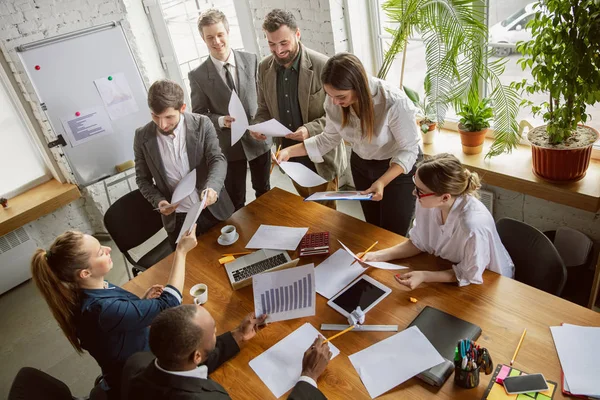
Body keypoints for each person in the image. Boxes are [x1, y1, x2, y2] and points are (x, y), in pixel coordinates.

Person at [30, 226, 199, 400]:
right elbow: (169, 303)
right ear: (85, 273)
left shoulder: (95, 287)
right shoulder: (101, 309)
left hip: (138, 357)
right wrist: (181, 252)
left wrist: (139, 304)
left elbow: (114, 324)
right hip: (139, 379)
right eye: (100, 253)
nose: (108, 249)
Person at [277, 53, 422, 235]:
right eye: (330, 95)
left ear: (358, 86)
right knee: (373, 228)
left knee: (394, 232)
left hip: (398, 169)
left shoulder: (394, 102)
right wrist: (289, 152)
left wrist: (382, 181)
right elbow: (327, 138)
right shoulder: (333, 101)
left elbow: (409, 150)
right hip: (362, 165)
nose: (335, 102)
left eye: (340, 96)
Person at [363, 153, 515, 288]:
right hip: (448, 266)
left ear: (445, 197)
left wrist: (425, 276)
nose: (414, 193)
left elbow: (468, 273)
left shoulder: (472, 225)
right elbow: (418, 242)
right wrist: (377, 256)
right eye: (415, 186)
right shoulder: (426, 201)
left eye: (420, 191)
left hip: (490, 280)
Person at [122, 305, 330, 399]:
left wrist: (239, 334)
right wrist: (309, 376)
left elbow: (188, 360)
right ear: (196, 356)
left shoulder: (137, 362)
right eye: (213, 331)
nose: (216, 331)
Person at [251, 9, 347, 210]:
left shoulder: (324, 65)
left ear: (297, 34)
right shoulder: (263, 68)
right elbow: (263, 108)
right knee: (307, 209)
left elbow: (338, 115)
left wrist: (308, 130)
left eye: (284, 43)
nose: (278, 51)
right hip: (288, 157)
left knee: (327, 213)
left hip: (321, 156)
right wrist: (258, 125)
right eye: (271, 44)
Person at [134, 79, 234, 249]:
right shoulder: (141, 136)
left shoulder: (202, 123)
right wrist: (159, 201)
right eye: (155, 117)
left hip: (212, 210)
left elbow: (217, 159)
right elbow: (142, 179)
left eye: (168, 117)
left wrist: (213, 188)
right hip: (178, 219)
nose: (162, 124)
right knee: (189, 271)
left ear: (182, 108)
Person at [189, 9, 271, 211]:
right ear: (203, 38)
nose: (216, 41)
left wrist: (263, 126)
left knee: (265, 192)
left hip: (258, 139)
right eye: (210, 37)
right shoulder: (197, 76)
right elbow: (199, 115)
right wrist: (219, 120)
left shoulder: (251, 60)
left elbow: (264, 99)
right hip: (228, 146)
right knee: (237, 200)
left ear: (227, 32)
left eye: (219, 35)